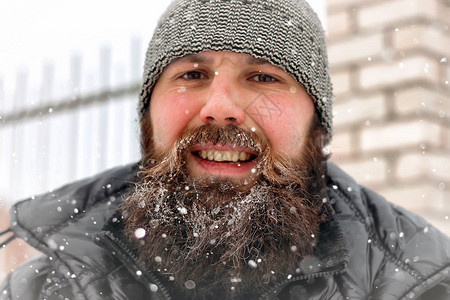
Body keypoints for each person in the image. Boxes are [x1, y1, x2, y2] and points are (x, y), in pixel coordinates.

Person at [1, 0, 449, 299]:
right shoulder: (43, 288)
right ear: (148, 116)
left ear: (317, 123)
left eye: (263, 77)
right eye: (192, 74)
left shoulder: (420, 285)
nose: (220, 108)